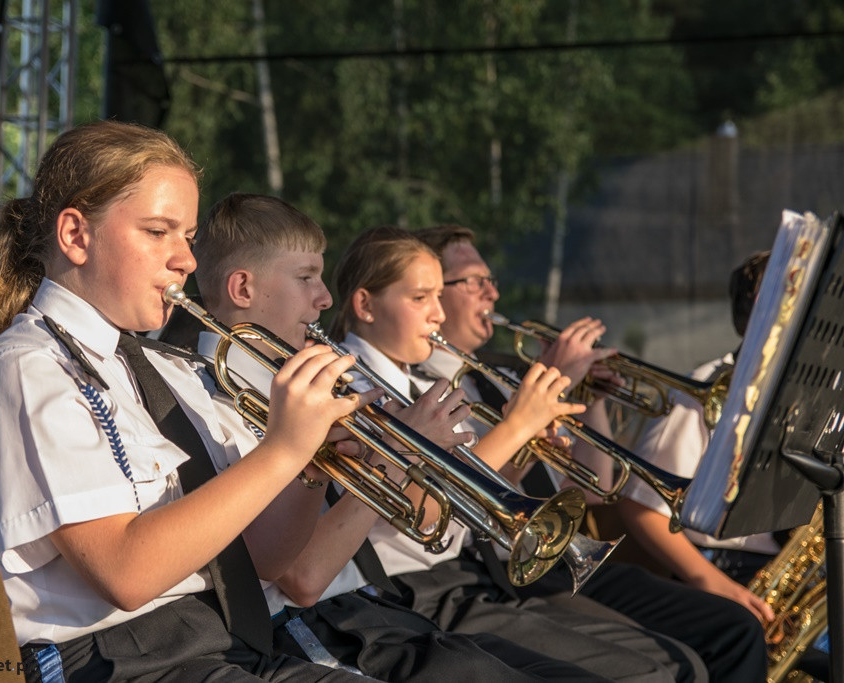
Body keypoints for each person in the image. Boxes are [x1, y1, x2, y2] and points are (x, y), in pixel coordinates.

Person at [0, 121, 376, 682]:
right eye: (157, 231)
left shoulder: (158, 366)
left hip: (213, 642)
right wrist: (283, 451)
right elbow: (126, 573)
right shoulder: (28, 369)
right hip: (112, 660)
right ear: (76, 235)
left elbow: (265, 561)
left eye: (189, 237)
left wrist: (312, 464)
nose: (187, 262)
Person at [188, 192, 609, 681]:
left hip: (375, 602)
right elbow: (304, 578)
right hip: (319, 621)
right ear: (242, 288)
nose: (324, 298)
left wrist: (509, 450)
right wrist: (401, 452)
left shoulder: (292, 381)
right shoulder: (219, 396)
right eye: (306, 278)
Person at [330, 225, 718, 682]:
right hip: (414, 591)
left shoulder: (415, 383)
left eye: (439, 296)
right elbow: (421, 511)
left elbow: (472, 496)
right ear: (364, 304)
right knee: (652, 673)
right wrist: (516, 428)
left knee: (675, 665)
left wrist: (525, 452)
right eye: (421, 298)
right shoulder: (353, 388)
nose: (438, 314)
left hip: (468, 576)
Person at [411, 223, 769, 682]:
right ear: (437, 297)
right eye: (474, 282)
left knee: (733, 630)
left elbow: (596, 488)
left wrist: (589, 397)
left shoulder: (502, 377)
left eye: (492, 280)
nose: (492, 295)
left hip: (559, 557)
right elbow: (474, 496)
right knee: (672, 664)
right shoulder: (429, 388)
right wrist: (554, 377)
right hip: (501, 571)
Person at [618, 250, 778, 619]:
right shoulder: (708, 389)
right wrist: (708, 580)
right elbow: (642, 503)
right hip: (729, 569)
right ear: (760, 304)